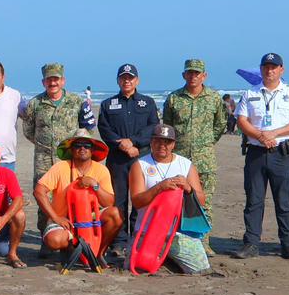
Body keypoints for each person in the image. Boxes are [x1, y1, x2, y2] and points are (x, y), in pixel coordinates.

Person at [232, 53, 289, 260]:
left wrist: (274, 134)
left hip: (281, 153)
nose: (269, 70)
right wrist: (260, 136)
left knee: (283, 201)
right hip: (256, 152)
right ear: (261, 69)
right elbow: (242, 121)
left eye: (274, 67)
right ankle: (251, 244)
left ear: (281, 69)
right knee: (254, 201)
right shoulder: (250, 93)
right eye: (266, 67)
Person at [21, 63, 97, 251]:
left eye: (56, 79)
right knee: (42, 198)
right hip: (43, 159)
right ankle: (45, 239)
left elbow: (87, 128)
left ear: (63, 80)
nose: (52, 82)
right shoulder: (35, 104)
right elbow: (29, 131)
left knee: (70, 195)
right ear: (43, 81)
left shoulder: (77, 102)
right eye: (49, 79)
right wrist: (45, 145)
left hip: (69, 160)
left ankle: (71, 239)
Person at [127, 124, 211, 274]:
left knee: (201, 268)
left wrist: (188, 188)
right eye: (158, 141)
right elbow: (137, 202)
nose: (162, 145)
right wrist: (160, 187)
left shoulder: (186, 165)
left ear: (173, 144)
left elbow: (202, 200)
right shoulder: (140, 165)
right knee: (136, 268)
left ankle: (169, 259)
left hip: (178, 233)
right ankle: (164, 259)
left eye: (167, 142)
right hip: (148, 232)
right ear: (151, 142)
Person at [160, 59, 227, 243]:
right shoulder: (174, 98)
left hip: (204, 159)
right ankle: (177, 242)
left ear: (204, 76)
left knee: (204, 201)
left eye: (197, 73)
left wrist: (206, 142)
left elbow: (220, 124)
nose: (193, 76)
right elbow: (167, 127)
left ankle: (203, 243)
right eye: (189, 73)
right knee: (176, 201)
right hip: (179, 158)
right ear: (184, 75)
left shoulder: (214, 98)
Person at [97, 63, 160, 249]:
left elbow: (153, 127)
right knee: (119, 200)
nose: (127, 80)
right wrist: (121, 144)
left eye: (130, 77)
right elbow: (104, 129)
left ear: (137, 80)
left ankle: (139, 237)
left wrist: (133, 142)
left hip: (141, 158)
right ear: (118, 80)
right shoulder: (108, 104)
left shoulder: (147, 103)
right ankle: (119, 240)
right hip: (117, 159)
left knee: (141, 198)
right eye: (123, 77)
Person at [33, 134, 123, 258]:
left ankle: (98, 253)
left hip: (91, 219)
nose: (82, 148)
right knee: (54, 240)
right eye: (78, 145)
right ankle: (72, 248)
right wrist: (56, 217)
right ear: (71, 150)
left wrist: (95, 185)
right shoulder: (60, 167)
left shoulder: (101, 170)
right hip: (65, 220)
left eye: (87, 145)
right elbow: (38, 191)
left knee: (116, 215)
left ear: (92, 150)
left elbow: (109, 203)